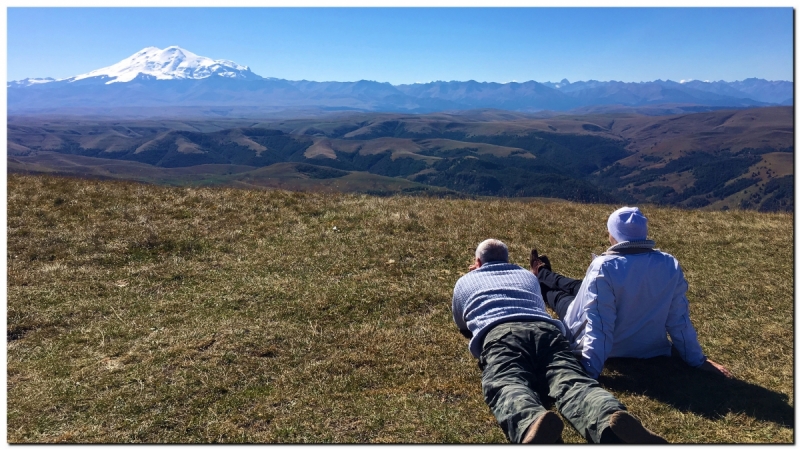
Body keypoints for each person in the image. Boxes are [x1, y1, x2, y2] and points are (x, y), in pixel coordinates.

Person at [452, 238, 667, 444]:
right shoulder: (527, 276)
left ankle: (531, 423)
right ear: (508, 260)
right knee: (572, 380)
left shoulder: (465, 281)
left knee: (507, 382)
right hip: (548, 331)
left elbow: (462, 322)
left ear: (477, 262)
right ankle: (607, 417)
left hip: (501, 333)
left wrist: (475, 276)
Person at [530, 206, 732, 380]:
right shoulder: (669, 263)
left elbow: (600, 325)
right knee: (577, 285)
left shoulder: (604, 267)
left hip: (611, 346)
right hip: (651, 347)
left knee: (561, 298)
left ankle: (540, 279)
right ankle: (543, 272)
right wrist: (697, 360)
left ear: (614, 235)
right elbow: (678, 318)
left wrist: (589, 371)